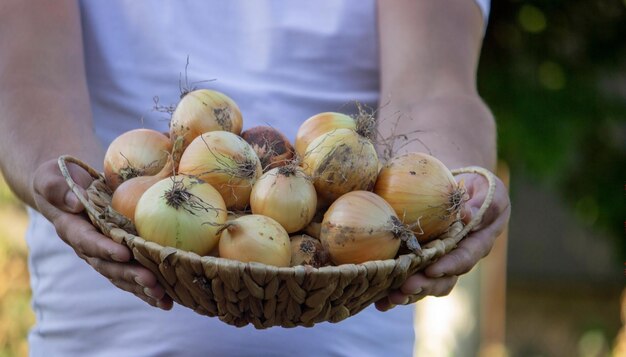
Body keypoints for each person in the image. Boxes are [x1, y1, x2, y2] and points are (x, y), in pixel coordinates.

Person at [0, 0, 510, 356]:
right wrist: (65, 174)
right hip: (99, 336)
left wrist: (452, 191)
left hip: (357, 336)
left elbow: (439, 88)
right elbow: (26, 77)